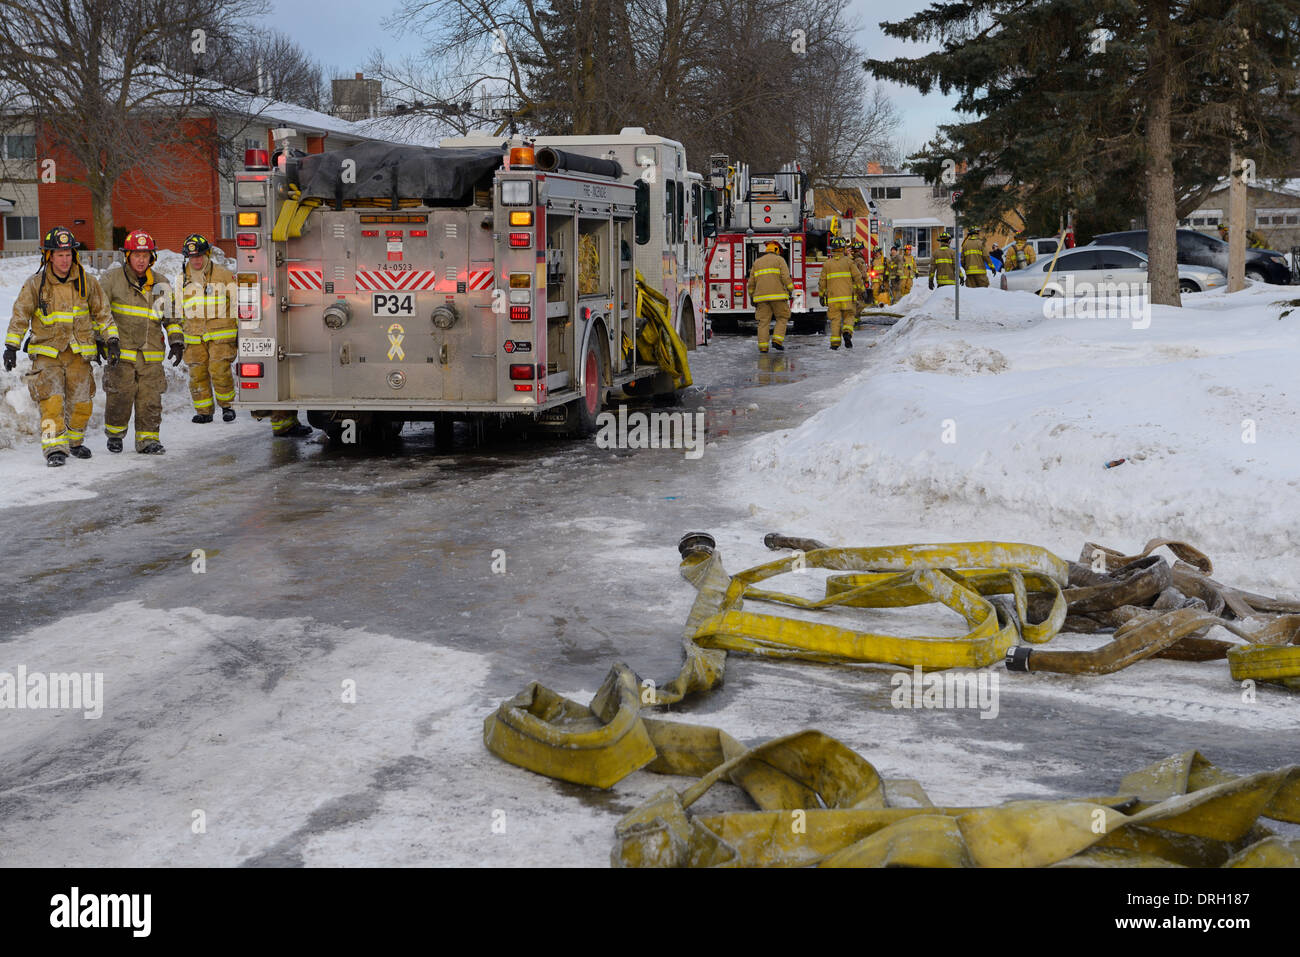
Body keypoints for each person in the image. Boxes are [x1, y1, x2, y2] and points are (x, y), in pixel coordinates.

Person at [3, 226, 116, 466]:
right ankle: (54, 447)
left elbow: (103, 314)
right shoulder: (36, 284)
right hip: (47, 352)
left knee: (82, 403)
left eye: (68, 254)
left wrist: (112, 341)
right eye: (59, 255)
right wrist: (11, 346)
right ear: (49, 256)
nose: (64, 260)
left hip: (79, 353)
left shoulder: (88, 282)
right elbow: (20, 315)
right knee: (51, 401)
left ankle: (74, 442)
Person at [98, 230, 184, 454]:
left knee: (150, 399)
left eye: (145, 255)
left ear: (151, 258)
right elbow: (98, 312)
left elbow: (172, 316)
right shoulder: (111, 280)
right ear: (128, 256)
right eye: (136, 254)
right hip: (121, 353)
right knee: (119, 395)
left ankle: (148, 440)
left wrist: (176, 341)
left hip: (151, 355)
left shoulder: (161, 283)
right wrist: (100, 339)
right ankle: (115, 435)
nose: (141, 260)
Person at [177, 233, 238, 423]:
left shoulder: (223, 274)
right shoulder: (182, 278)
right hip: (194, 336)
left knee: (219, 370)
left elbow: (237, 302)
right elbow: (178, 308)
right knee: (197, 373)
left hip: (221, 333)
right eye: (192, 257)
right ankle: (204, 411)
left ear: (207, 254)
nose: (195, 260)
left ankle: (227, 406)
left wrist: (242, 330)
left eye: (199, 256)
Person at [747, 239, 794, 353]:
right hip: (778, 297)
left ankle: (763, 347)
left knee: (763, 322)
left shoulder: (757, 262)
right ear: (777, 250)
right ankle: (777, 341)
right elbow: (785, 277)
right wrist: (790, 290)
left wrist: (752, 297)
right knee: (782, 318)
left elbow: (751, 283)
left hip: (761, 298)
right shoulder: (780, 260)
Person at [818, 238, 861, 350]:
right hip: (847, 298)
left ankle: (835, 344)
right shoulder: (849, 262)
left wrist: (821, 295)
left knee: (835, 320)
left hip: (833, 299)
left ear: (832, 250)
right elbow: (857, 277)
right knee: (849, 316)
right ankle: (847, 333)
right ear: (843, 249)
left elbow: (822, 282)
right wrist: (862, 290)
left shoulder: (827, 264)